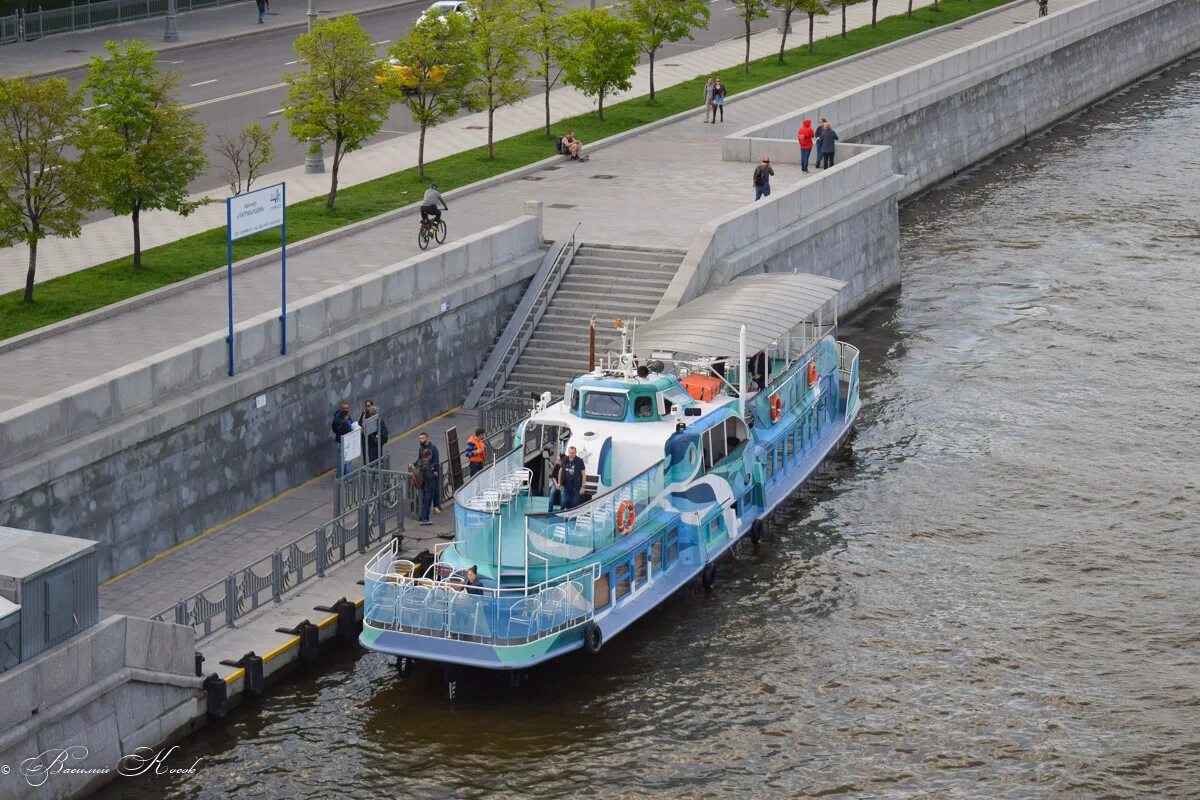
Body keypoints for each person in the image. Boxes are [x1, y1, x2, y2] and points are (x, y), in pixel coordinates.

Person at [412, 432, 442, 514]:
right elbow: (419, 459)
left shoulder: (433, 448)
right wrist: (413, 464)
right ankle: (423, 509)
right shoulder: (421, 449)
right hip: (424, 474)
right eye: (419, 438)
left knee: (435, 490)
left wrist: (431, 468)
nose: (420, 440)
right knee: (425, 490)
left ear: (426, 438)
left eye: (422, 438)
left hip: (433, 473)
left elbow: (436, 460)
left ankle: (436, 506)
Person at [358, 399, 388, 466]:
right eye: (366, 406)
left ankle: (375, 470)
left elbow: (375, 431)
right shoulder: (364, 413)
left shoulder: (375, 420)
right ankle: (374, 467)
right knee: (372, 456)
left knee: (375, 456)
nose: (367, 407)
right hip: (370, 439)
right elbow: (359, 422)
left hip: (373, 441)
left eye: (369, 406)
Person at [331, 402, 356, 477]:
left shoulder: (348, 416)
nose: (345, 410)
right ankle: (340, 477)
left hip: (349, 442)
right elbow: (336, 426)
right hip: (341, 442)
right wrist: (345, 421)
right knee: (340, 462)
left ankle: (347, 478)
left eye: (347, 408)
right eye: (344, 408)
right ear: (341, 409)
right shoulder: (338, 418)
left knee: (348, 461)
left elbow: (350, 425)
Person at [558, 446, 586, 510]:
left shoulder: (580, 461)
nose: (571, 454)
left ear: (575, 453)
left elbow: (583, 474)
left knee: (575, 504)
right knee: (564, 502)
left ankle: (573, 518)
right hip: (566, 485)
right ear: (568, 452)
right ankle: (564, 516)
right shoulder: (565, 459)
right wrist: (559, 483)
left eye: (573, 453)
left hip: (576, 486)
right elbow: (560, 471)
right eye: (570, 452)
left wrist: (583, 487)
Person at [417, 448, 440, 525]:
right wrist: (434, 474)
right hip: (428, 487)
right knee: (427, 503)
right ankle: (424, 519)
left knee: (425, 503)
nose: (431, 456)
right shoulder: (426, 465)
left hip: (424, 486)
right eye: (431, 455)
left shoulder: (421, 462)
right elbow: (429, 476)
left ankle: (423, 517)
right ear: (429, 455)